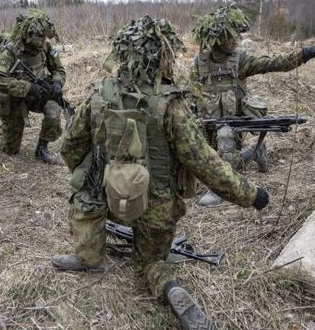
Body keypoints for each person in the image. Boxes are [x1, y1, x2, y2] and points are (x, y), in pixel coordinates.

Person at [51, 16, 270, 330]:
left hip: (109, 198)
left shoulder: (99, 94)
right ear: (161, 57)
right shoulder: (170, 105)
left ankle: (88, 256)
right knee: (151, 263)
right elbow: (205, 163)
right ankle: (169, 287)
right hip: (156, 206)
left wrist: (99, 180)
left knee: (85, 188)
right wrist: (252, 195)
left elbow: (70, 147)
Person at [191, 6, 315, 206]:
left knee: (225, 139)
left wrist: (307, 53)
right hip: (207, 123)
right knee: (200, 156)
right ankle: (256, 151)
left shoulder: (240, 61)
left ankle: (219, 190)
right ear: (216, 38)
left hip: (232, 125)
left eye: (237, 35)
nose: (235, 40)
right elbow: (188, 92)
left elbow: (275, 63)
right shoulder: (199, 63)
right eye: (229, 36)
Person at [0, 9, 66, 164]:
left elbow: (59, 69)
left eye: (45, 37)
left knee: (54, 111)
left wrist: (57, 82)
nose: (43, 41)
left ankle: (42, 149)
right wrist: (26, 87)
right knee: (10, 149)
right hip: (14, 99)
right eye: (39, 37)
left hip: (38, 94)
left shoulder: (45, 48)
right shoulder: (10, 51)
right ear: (28, 35)